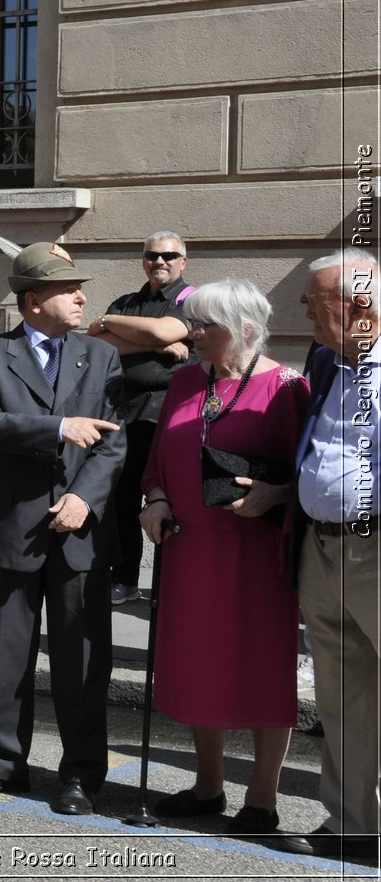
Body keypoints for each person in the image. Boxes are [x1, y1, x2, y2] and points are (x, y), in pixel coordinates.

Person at [0, 241, 125, 815]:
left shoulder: (99, 357)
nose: (80, 298)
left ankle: (80, 774)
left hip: (78, 530)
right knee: (10, 658)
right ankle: (6, 762)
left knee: (81, 661)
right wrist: (57, 428)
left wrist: (84, 497)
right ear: (32, 302)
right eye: (66, 289)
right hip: (12, 530)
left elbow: (114, 440)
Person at [136, 279, 306, 834]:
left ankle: (262, 798)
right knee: (199, 662)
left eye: (207, 326)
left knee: (261, 666)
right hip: (190, 549)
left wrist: (273, 494)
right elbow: (159, 460)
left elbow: (307, 476)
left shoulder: (287, 387)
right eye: (195, 323)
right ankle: (208, 787)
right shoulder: (186, 378)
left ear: (247, 330)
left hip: (257, 555)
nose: (195, 334)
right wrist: (156, 499)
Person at [276, 248, 381, 860]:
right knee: (343, 697)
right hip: (323, 549)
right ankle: (351, 826)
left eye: (314, 302)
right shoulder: (323, 359)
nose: (302, 309)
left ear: (358, 307)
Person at [89, 231, 195, 605]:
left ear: (183, 261)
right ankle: (126, 580)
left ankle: (170, 587)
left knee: (168, 502)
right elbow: (96, 340)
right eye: (152, 255)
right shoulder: (127, 302)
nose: (159, 262)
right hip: (122, 415)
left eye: (169, 255)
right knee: (120, 503)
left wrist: (142, 333)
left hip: (168, 420)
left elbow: (165, 328)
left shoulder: (191, 300)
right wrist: (157, 345)